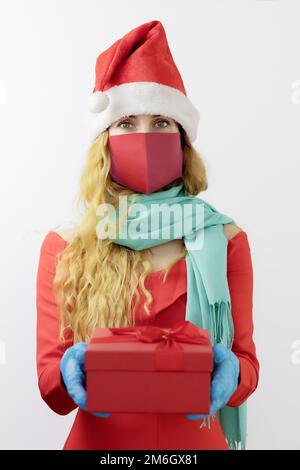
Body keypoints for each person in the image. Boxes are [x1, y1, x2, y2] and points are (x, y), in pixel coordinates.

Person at [36, 20, 259, 450]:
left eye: (160, 122)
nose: (143, 136)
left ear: (182, 140)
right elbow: (51, 390)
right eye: (125, 124)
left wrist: (231, 370)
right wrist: (67, 371)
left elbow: (247, 368)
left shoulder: (226, 238)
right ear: (104, 141)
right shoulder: (65, 245)